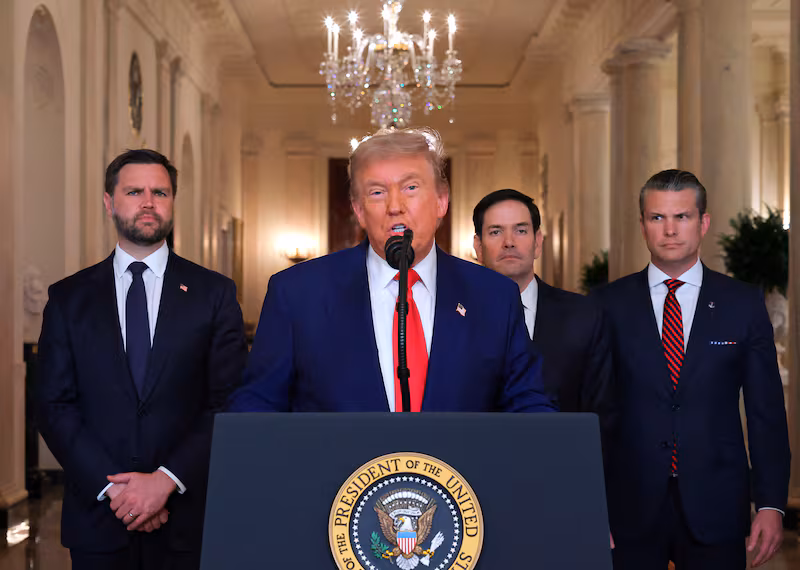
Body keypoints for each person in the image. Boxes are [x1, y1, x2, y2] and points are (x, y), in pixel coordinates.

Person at [229, 127, 555, 413]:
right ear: (359, 210)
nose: (395, 206)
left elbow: (528, 404)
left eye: (411, 187)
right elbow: (257, 406)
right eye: (377, 192)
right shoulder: (297, 293)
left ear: (441, 201)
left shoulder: (495, 296)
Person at [36, 149, 248, 569]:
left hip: (187, 519)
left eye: (160, 193)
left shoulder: (214, 293)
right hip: (98, 518)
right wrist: (118, 491)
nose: (148, 202)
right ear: (109, 202)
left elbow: (229, 401)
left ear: (172, 201)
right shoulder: (68, 298)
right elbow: (54, 405)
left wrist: (165, 481)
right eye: (134, 192)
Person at [592, 169, 791, 569]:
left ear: (703, 223)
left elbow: (766, 412)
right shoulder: (605, 305)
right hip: (627, 505)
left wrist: (771, 503)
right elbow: (592, 410)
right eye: (657, 217)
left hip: (718, 503)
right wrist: (588, 502)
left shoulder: (743, 304)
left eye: (681, 216)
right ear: (643, 225)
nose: (670, 230)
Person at [472, 189, 613, 428]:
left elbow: (602, 415)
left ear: (538, 243)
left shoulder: (584, 316)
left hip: (563, 450)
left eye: (521, 230)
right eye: (496, 232)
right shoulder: (454, 316)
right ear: (478, 246)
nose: (509, 242)